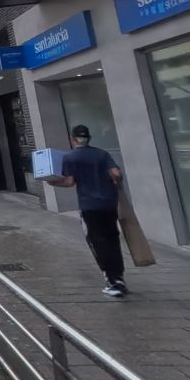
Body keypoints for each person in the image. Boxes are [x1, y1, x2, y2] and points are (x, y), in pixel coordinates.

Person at [47, 125, 128, 298]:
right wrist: (112, 184)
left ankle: (112, 281)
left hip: (89, 206)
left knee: (97, 242)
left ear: (73, 138)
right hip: (109, 204)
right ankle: (119, 277)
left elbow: (69, 182)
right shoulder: (102, 154)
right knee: (112, 239)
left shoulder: (70, 157)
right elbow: (116, 173)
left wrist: (52, 182)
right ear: (88, 138)